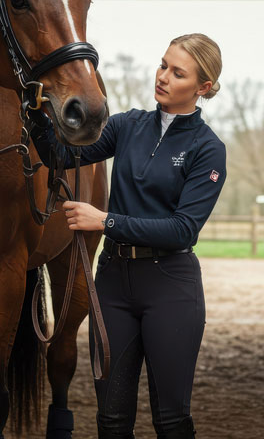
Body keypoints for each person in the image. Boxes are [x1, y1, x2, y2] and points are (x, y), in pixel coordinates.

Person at [31, 33, 226, 439]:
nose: (163, 77)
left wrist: (105, 222)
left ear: (202, 88)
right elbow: (62, 156)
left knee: (171, 421)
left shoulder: (207, 149)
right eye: (162, 65)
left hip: (170, 286)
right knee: (112, 420)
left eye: (177, 73)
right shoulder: (126, 125)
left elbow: (183, 229)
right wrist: (35, 113)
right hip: (114, 284)